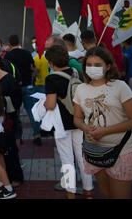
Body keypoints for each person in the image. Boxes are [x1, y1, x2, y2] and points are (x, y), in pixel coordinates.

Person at [73, 47, 132, 199]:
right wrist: (86, 128)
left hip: (121, 151)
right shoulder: (80, 89)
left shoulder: (120, 86)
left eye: (98, 65)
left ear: (108, 66)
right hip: (95, 152)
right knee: (106, 194)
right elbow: (77, 118)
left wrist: (105, 131)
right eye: (89, 64)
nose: (92, 68)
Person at [44, 45, 94, 199]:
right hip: (79, 120)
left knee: (67, 160)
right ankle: (88, 192)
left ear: (51, 62)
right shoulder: (75, 72)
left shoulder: (51, 78)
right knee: (82, 156)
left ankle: (70, 193)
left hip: (62, 124)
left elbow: (51, 104)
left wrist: (44, 104)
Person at [0, 52, 24, 186]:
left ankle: (15, 175)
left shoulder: (8, 79)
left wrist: (3, 103)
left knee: (10, 147)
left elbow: (17, 99)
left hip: (7, 118)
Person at [4, 35, 40, 145]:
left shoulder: (8, 56)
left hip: (14, 88)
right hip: (28, 86)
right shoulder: (27, 53)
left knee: (16, 113)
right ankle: (37, 135)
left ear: (9, 44)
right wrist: (32, 77)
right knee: (32, 111)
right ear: (19, 42)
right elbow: (33, 68)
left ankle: (18, 137)